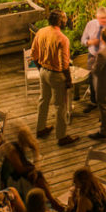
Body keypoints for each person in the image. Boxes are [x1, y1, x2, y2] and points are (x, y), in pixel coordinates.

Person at [31, 10, 77, 145]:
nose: (66, 21)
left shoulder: (41, 32)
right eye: (64, 19)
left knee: (43, 100)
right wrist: (68, 80)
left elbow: (34, 53)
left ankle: (40, 128)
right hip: (56, 75)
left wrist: (41, 68)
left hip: (43, 71)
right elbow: (64, 64)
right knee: (60, 106)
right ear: (59, 21)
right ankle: (61, 136)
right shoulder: (62, 38)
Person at [0, 125, 65, 212]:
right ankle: (52, 202)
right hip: (13, 178)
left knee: (38, 175)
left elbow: (35, 158)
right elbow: (20, 169)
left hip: (21, 173)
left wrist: (35, 151)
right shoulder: (12, 150)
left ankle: (51, 200)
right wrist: (34, 170)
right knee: (38, 177)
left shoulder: (22, 146)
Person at [81, 7, 106, 107]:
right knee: (93, 78)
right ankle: (94, 101)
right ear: (96, 17)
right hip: (93, 56)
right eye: (102, 18)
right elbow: (83, 40)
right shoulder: (90, 25)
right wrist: (89, 42)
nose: (104, 20)